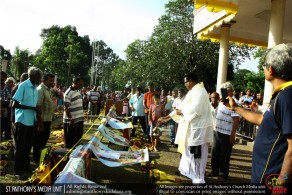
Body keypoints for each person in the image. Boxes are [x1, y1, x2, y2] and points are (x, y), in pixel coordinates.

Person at [225, 43, 292, 192]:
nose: (263, 68)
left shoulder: (287, 96)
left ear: (271, 69)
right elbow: (262, 120)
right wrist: (236, 107)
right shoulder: (282, 94)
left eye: (263, 65)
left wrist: (281, 184)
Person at [175, 72, 213, 184]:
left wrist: (181, 112)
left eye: (185, 82)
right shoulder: (193, 91)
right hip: (193, 129)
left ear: (191, 81)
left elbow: (196, 109)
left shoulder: (200, 91)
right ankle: (194, 177)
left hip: (199, 130)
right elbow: (182, 106)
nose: (185, 84)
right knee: (192, 154)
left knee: (197, 155)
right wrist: (168, 117)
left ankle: (199, 180)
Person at [12, 67, 42, 180]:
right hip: (22, 119)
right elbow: (14, 104)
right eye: (38, 77)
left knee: (28, 145)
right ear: (32, 76)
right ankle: (18, 170)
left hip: (31, 120)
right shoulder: (23, 85)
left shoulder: (34, 87)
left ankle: (25, 166)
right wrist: (32, 108)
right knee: (20, 146)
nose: (40, 79)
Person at [208, 82, 240, 182]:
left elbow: (236, 120)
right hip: (217, 130)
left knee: (224, 154)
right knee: (215, 152)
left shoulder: (233, 102)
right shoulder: (222, 101)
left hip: (227, 133)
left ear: (229, 91)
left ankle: (223, 174)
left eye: (223, 91)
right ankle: (214, 170)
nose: (221, 93)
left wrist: (233, 135)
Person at [32, 73, 55, 162]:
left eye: (53, 81)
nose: (52, 83)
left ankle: (40, 157)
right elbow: (38, 107)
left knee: (44, 138)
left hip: (47, 119)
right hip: (41, 120)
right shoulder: (40, 90)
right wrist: (40, 122)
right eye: (50, 81)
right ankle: (36, 158)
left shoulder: (48, 90)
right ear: (44, 80)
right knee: (39, 140)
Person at [63, 76, 85, 149]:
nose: (81, 86)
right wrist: (70, 119)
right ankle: (68, 155)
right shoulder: (68, 93)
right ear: (74, 83)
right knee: (70, 140)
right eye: (80, 85)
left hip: (79, 119)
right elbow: (66, 108)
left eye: (82, 85)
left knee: (78, 137)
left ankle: (77, 152)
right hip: (71, 120)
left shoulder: (78, 90)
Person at [1, 76, 15, 140]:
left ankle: (8, 137)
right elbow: (4, 99)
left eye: (12, 82)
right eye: (9, 82)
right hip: (5, 108)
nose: (11, 84)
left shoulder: (13, 89)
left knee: (8, 124)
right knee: (5, 123)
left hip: (10, 108)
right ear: (7, 83)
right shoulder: (5, 89)